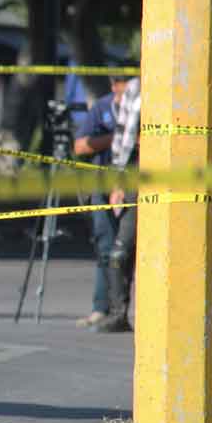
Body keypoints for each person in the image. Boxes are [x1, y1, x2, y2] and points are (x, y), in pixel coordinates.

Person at [71, 74, 131, 328]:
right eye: (121, 83)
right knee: (105, 247)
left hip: (133, 188)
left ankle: (123, 310)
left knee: (125, 250)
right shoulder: (103, 107)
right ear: (113, 85)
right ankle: (101, 307)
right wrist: (116, 137)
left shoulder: (144, 106)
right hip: (103, 186)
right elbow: (80, 146)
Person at [92, 76, 141, 333]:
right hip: (134, 175)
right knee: (121, 250)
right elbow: (123, 138)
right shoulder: (135, 88)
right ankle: (118, 312)